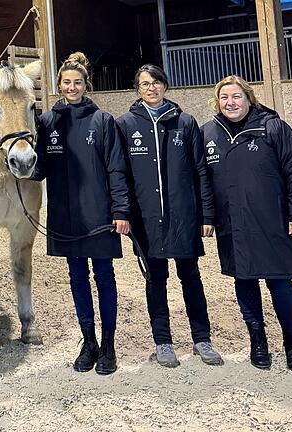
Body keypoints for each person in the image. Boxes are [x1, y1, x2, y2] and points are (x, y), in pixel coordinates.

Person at [200, 75, 292, 372]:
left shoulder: (273, 127)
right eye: (224, 97)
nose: (230, 102)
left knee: (280, 282)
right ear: (217, 101)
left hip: (273, 223)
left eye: (236, 96)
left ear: (249, 98)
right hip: (233, 225)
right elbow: (202, 182)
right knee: (245, 282)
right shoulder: (208, 133)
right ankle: (258, 341)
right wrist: (208, 217)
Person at [115, 64, 223, 367]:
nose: (151, 88)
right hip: (147, 220)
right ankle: (163, 342)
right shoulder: (125, 124)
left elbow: (201, 171)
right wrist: (123, 211)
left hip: (183, 217)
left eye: (157, 82)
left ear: (165, 85)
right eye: (145, 84)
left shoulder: (185, 123)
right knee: (156, 280)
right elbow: (120, 174)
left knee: (191, 277)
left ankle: (202, 338)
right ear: (137, 89)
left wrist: (206, 215)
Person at [32, 52, 129, 375]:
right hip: (65, 215)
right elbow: (40, 169)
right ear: (59, 85)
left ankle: (109, 344)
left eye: (77, 82)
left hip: (99, 216)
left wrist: (120, 209)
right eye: (66, 82)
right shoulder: (47, 122)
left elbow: (116, 168)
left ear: (86, 85)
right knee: (77, 279)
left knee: (104, 278)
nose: (71, 87)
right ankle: (89, 342)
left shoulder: (103, 121)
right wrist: (20, 162)